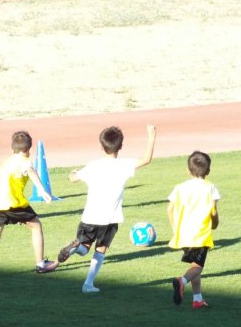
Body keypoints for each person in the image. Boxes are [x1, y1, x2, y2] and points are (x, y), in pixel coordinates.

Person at [57, 125, 157, 293]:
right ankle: (88, 284)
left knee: (84, 248)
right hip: (110, 218)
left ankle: (75, 247)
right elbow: (146, 159)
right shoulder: (124, 165)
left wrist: (72, 173)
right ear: (121, 146)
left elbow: (73, 179)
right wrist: (152, 136)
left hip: (89, 217)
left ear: (101, 146)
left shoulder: (93, 166)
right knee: (100, 250)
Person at [0, 131, 58, 274]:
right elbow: (31, 171)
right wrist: (42, 190)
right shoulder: (25, 161)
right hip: (13, 203)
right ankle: (41, 264)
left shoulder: (7, 161)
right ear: (28, 150)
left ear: (12, 149)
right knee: (36, 226)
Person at [168, 150, 220, 309]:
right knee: (198, 267)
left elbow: (170, 208)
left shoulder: (179, 187)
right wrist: (215, 224)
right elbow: (214, 211)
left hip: (183, 234)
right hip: (200, 234)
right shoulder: (210, 187)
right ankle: (181, 281)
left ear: (187, 170)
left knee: (194, 265)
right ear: (209, 171)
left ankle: (197, 299)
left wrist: (174, 227)